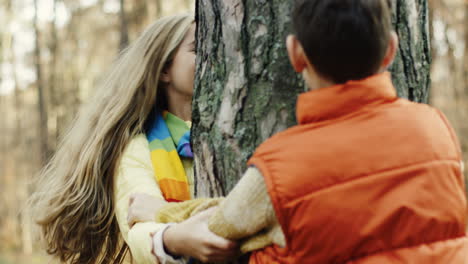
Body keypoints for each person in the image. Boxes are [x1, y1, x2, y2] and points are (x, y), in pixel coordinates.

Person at [129, 0, 468, 263]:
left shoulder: (279, 167)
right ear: (392, 49)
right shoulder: (436, 129)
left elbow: (221, 227)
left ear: (295, 54)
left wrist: (159, 213)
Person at [30, 14, 237, 264]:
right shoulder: (140, 149)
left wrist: (164, 212)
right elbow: (139, 225)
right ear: (163, 71)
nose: (211, 57)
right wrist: (172, 238)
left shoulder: (231, 133)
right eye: (198, 49)